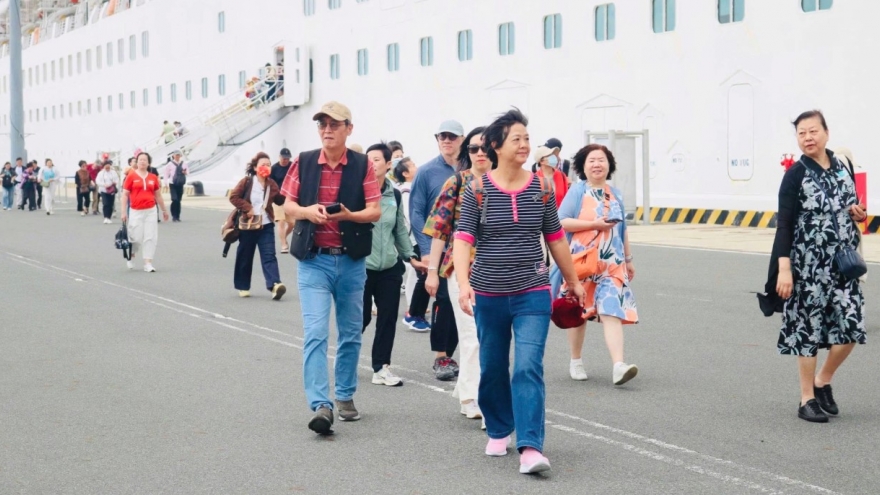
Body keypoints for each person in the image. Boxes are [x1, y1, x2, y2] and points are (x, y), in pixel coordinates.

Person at [452, 108, 585, 474]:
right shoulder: (477, 188)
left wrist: (572, 281)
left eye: (527, 138)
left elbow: (555, 238)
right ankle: (498, 428)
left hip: (532, 291)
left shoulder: (541, 186)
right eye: (517, 139)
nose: (525, 144)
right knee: (493, 366)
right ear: (495, 145)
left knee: (528, 367)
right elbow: (463, 238)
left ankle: (530, 447)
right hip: (489, 294)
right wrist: (463, 284)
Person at [281, 101, 381, 434]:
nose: (327, 129)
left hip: (351, 260)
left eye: (334, 124)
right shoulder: (304, 161)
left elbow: (374, 212)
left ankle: (345, 394)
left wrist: (346, 215)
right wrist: (308, 211)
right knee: (316, 333)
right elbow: (287, 206)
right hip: (314, 261)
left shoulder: (363, 165)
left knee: (351, 333)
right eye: (322, 124)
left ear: (348, 128)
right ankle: (321, 405)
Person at [765, 110, 867, 423]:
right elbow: (784, 224)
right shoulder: (795, 174)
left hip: (842, 264)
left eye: (813, 131)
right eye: (801, 133)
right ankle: (806, 398)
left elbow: (852, 206)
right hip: (807, 266)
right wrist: (785, 269)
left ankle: (823, 381)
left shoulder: (842, 167)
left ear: (826, 132)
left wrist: (859, 214)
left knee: (851, 329)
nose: (808, 137)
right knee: (807, 330)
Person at [553, 144, 640, 384]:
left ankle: (618, 366)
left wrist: (628, 259)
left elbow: (623, 230)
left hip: (611, 263)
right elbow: (561, 222)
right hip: (581, 262)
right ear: (583, 166)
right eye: (591, 160)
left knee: (612, 310)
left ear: (609, 165)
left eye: (601, 160)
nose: (597, 164)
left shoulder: (617, 194)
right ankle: (576, 360)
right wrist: (594, 225)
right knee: (579, 312)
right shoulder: (577, 191)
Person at [423, 126, 491, 424]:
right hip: (459, 268)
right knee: (471, 335)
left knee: (490, 337)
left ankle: (469, 387)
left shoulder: (507, 184)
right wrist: (432, 273)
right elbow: (439, 229)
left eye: (485, 148)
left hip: (498, 270)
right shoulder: (458, 182)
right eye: (474, 148)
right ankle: (471, 397)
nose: (479, 153)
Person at [362, 143, 427, 387]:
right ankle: (346, 360)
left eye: (377, 159)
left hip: (389, 267)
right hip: (361, 266)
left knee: (388, 317)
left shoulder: (395, 194)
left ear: (389, 164)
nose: (372, 163)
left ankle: (381, 367)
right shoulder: (357, 193)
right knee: (361, 318)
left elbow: (400, 229)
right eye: (368, 159)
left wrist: (411, 257)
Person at [409, 120, 465, 379]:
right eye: (442, 136)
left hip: (469, 247)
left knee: (465, 300)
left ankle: (459, 354)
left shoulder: (472, 168)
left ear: (462, 139)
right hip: (439, 246)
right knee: (443, 299)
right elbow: (417, 212)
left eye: (451, 136)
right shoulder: (426, 172)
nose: (446, 140)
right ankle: (441, 357)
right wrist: (426, 248)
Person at [228, 152, 288, 300]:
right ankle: (243, 286)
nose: (266, 167)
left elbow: (279, 201)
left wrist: (286, 192)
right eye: (263, 165)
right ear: (255, 167)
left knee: (269, 256)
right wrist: (247, 207)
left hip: (266, 225)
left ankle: (275, 285)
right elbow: (233, 197)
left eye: (268, 165)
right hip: (248, 225)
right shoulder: (247, 182)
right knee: (245, 256)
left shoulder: (271, 184)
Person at [121, 152, 170, 272]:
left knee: (150, 236)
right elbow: (125, 195)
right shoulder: (131, 176)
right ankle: (131, 255)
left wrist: (164, 210)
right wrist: (123, 212)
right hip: (136, 211)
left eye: (145, 160)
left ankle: (148, 263)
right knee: (135, 237)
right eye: (140, 160)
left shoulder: (153, 178)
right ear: (137, 162)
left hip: (150, 211)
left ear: (148, 163)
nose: (142, 161)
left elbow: (158, 195)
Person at [270, 148, 295, 254]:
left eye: (287, 158)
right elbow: (270, 183)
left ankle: (283, 237)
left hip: (289, 197)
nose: (286, 160)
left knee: (292, 223)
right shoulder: (274, 168)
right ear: (279, 157)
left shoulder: (292, 166)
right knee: (281, 221)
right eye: (284, 158)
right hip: (277, 198)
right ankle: (284, 244)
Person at [163, 150, 188, 222]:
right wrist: (165, 182)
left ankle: (178, 216)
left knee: (179, 200)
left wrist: (185, 172)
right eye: (176, 155)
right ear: (173, 156)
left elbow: (188, 172)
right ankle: (173, 215)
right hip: (172, 183)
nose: (177, 156)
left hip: (180, 183)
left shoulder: (184, 163)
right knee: (174, 199)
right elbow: (166, 174)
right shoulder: (170, 164)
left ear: (180, 156)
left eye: (179, 155)